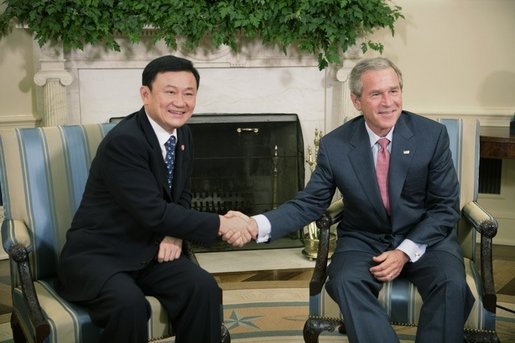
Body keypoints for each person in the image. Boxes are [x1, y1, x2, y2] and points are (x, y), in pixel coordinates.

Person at [240, 57, 475, 342]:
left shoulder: (431, 135)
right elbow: (310, 202)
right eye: (376, 94)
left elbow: (444, 206)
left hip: (426, 237)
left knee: (451, 284)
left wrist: (404, 251)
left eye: (394, 90)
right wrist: (255, 224)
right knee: (345, 280)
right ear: (356, 101)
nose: (388, 102)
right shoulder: (335, 144)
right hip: (365, 238)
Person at [56, 55, 251, 343]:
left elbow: (182, 193)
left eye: (189, 93)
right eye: (170, 92)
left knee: (202, 287)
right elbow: (153, 211)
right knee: (130, 305)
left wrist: (174, 233)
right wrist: (222, 224)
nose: (180, 102)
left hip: (152, 251)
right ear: (145, 94)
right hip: (101, 255)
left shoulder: (183, 133)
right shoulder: (125, 142)